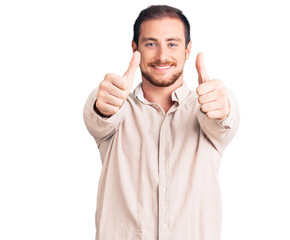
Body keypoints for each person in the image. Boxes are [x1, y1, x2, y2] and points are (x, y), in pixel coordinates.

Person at [83, 5, 239, 240]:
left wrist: (222, 110)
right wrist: (101, 105)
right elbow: (99, 118)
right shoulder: (117, 107)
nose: (162, 56)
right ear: (135, 48)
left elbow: (223, 124)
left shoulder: (207, 106)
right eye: (151, 43)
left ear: (188, 49)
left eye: (172, 43)